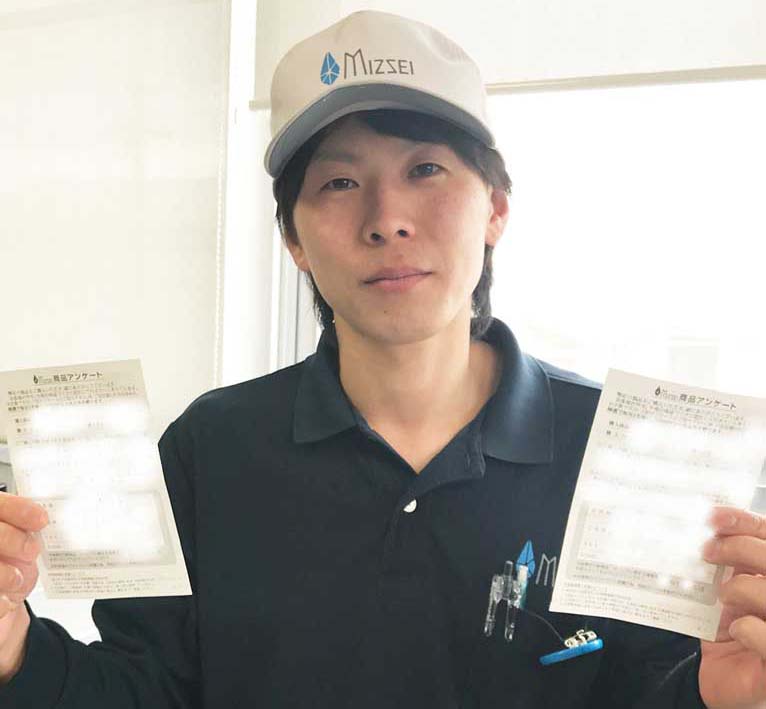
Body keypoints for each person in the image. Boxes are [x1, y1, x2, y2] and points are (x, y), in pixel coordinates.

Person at [0, 9, 764, 708]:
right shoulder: (211, 449)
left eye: (425, 169)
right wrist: (14, 652)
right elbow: (145, 689)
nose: (386, 219)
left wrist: (726, 695)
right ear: (293, 240)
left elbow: (656, 686)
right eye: (339, 181)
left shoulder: (619, 458)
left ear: (496, 207)